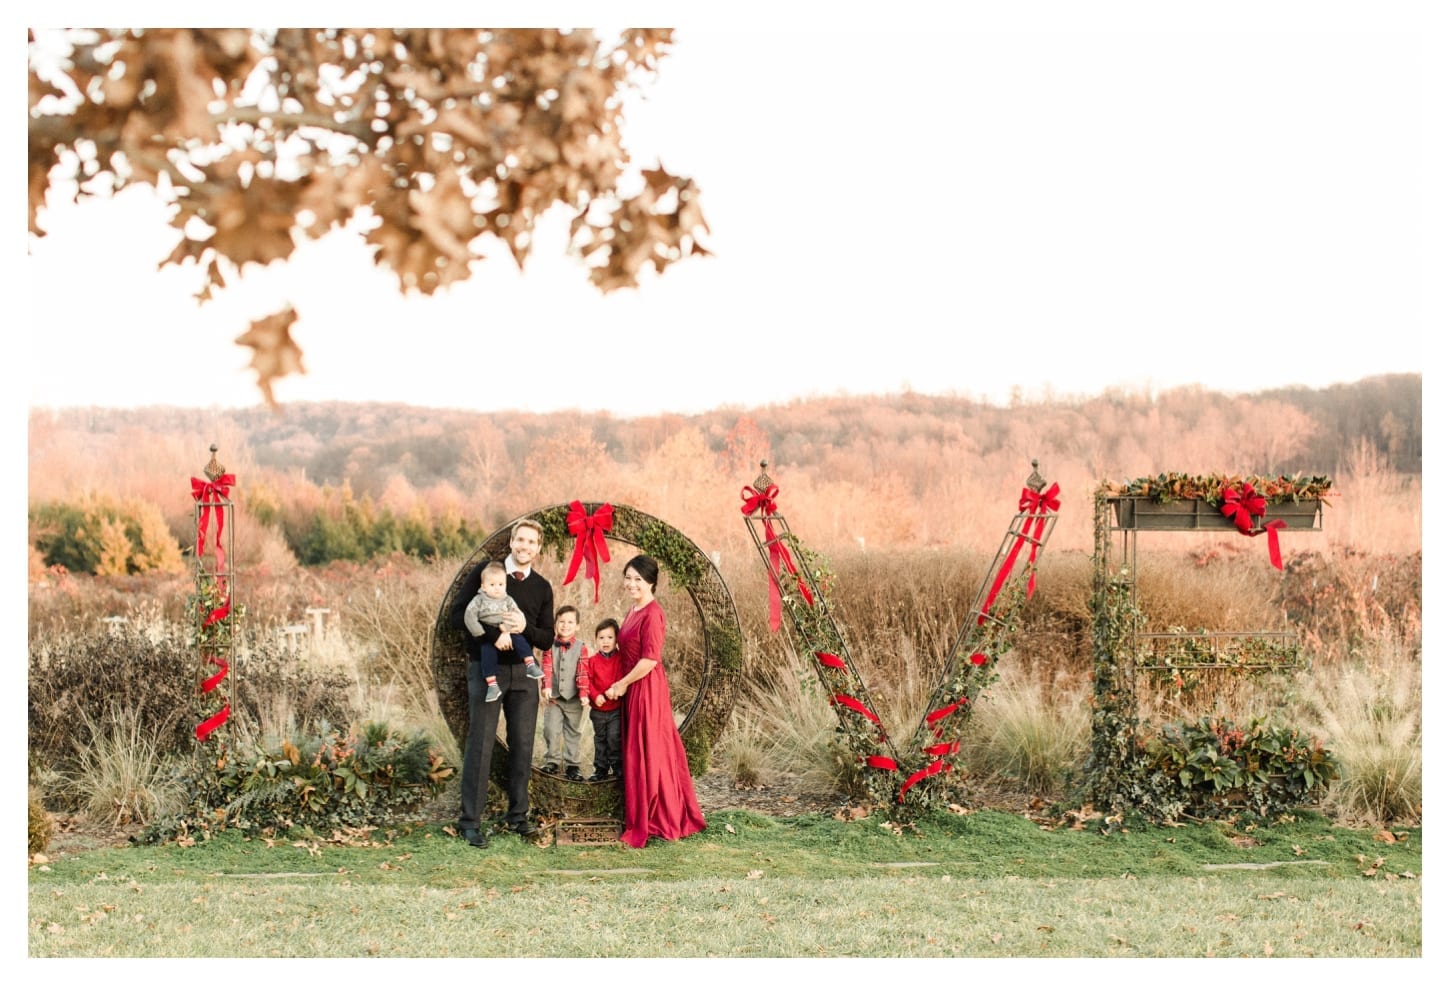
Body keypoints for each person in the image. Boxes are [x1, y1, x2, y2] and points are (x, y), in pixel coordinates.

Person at [457, 519, 554, 849]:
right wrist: (491, 637)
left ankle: (518, 817)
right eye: (520, 540)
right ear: (511, 541)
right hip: (488, 670)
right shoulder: (487, 574)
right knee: (481, 743)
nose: (525, 546)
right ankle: (469, 822)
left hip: (524, 676)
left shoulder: (541, 587)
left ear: (538, 548)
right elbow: (459, 615)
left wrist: (524, 626)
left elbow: (547, 637)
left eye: (532, 542)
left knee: (523, 745)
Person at [605, 555, 706, 847]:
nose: (632, 584)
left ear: (651, 582)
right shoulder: (633, 609)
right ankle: (644, 812)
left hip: (646, 688)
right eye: (628, 577)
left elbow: (650, 659)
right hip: (633, 687)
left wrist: (622, 683)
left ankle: (657, 817)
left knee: (649, 750)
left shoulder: (652, 613)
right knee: (640, 749)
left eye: (638, 579)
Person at [464, 562, 544, 703]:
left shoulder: (507, 600)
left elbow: (516, 614)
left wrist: (506, 629)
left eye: (501, 585)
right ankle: (492, 685)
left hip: (506, 628)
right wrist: (480, 634)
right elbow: (469, 616)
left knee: (520, 640)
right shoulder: (479, 600)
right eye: (492, 585)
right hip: (488, 633)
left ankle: (530, 664)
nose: (497, 589)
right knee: (487, 653)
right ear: (483, 586)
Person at [540, 605, 590, 780]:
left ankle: (572, 765)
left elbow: (583, 672)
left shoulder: (581, 647)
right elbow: (546, 666)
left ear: (577, 626)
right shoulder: (549, 645)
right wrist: (546, 686)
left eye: (570, 622)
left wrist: (583, 694)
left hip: (574, 698)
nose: (565, 625)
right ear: (555, 624)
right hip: (554, 697)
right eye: (561, 622)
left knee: (572, 731)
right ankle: (552, 761)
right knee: (551, 728)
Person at [580, 618, 624, 782]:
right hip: (598, 710)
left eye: (610, 637)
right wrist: (595, 695)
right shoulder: (592, 661)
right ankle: (601, 768)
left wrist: (616, 689)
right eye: (601, 638)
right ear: (596, 639)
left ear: (617, 639)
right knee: (600, 738)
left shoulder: (620, 659)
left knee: (614, 736)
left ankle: (618, 766)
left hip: (615, 709)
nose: (605, 641)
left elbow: (622, 677)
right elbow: (587, 681)